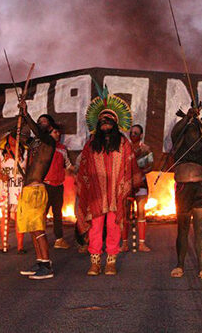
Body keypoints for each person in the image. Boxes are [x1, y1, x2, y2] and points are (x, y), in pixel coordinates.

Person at [76, 93, 135, 275]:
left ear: (115, 124)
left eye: (108, 121)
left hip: (116, 194)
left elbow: (129, 167)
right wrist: (84, 187)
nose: (105, 124)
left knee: (113, 226)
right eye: (102, 121)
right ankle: (95, 262)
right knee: (95, 228)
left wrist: (125, 187)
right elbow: (84, 168)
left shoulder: (124, 143)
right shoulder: (91, 144)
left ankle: (111, 261)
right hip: (96, 194)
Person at [168, 108, 202, 279]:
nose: (192, 134)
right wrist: (187, 117)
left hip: (201, 186)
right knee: (182, 228)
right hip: (183, 187)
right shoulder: (179, 140)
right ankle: (179, 264)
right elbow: (175, 131)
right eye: (190, 130)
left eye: (196, 130)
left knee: (200, 228)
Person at [16, 101, 57, 279]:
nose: (41, 123)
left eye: (45, 122)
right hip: (27, 191)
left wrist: (26, 114)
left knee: (38, 229)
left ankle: (46, 265)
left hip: (36, 191)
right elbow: (17, 136)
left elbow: (37, 131)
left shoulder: (49, 141)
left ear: (51, 127)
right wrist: (20, 121)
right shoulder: (36, 143)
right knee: (32, 229)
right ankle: (40, 262)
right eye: (39, 121)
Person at [0, 129, 27, 254]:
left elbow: (29, 170)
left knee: (19, 217)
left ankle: (20, 246)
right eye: (11, 137)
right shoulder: (1, 154)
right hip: (6, 187)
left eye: (15, 137)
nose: (13, 140)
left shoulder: (25, 154)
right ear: (7, 139)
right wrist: (2, 176)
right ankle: (4, 243)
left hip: (19, 188)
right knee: (5, 216)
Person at [122, 124, 153, 252]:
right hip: (127, 185)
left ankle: (141, 243)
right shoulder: (124, 148)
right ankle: (124, 244)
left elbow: (151, 165)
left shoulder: (146, 149)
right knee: (125, 213)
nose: (133, 135)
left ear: (141, 135)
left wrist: (140, 172)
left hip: (141, 184)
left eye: (136, 133)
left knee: (141, 212)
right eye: (131, 133)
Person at [44, 125, 73, 250]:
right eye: (55, 132)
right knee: (42, 213)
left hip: (58, 186)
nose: (58, 134)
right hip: (46, 185)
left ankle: (59, 239)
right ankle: (40, 239)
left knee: (57, 214)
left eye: (59, 132)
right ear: (49, 133)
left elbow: (68, 165)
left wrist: (79, 169)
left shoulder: (62, 149)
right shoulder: (44, 147)